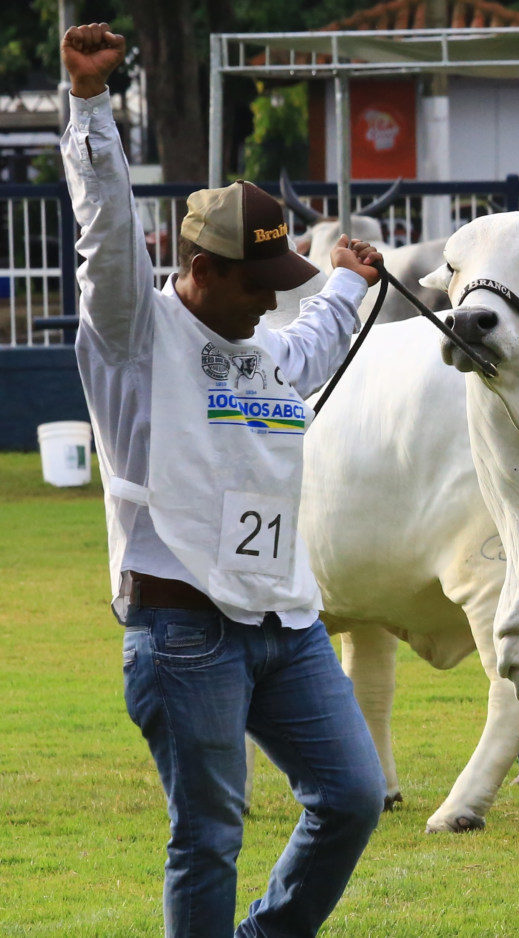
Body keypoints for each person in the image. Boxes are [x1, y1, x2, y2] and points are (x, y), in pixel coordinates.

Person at [60, 23, 386, 937]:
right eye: (255, 283)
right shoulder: (134, 335)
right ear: (200, 269)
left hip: (285, 619)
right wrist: (91, 109)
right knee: (208, 834)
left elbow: (310, 348)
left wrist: (346, 285)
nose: (271, 300)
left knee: (354, 798)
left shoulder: (263, 344)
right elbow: (108, 238)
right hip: (184, 626)